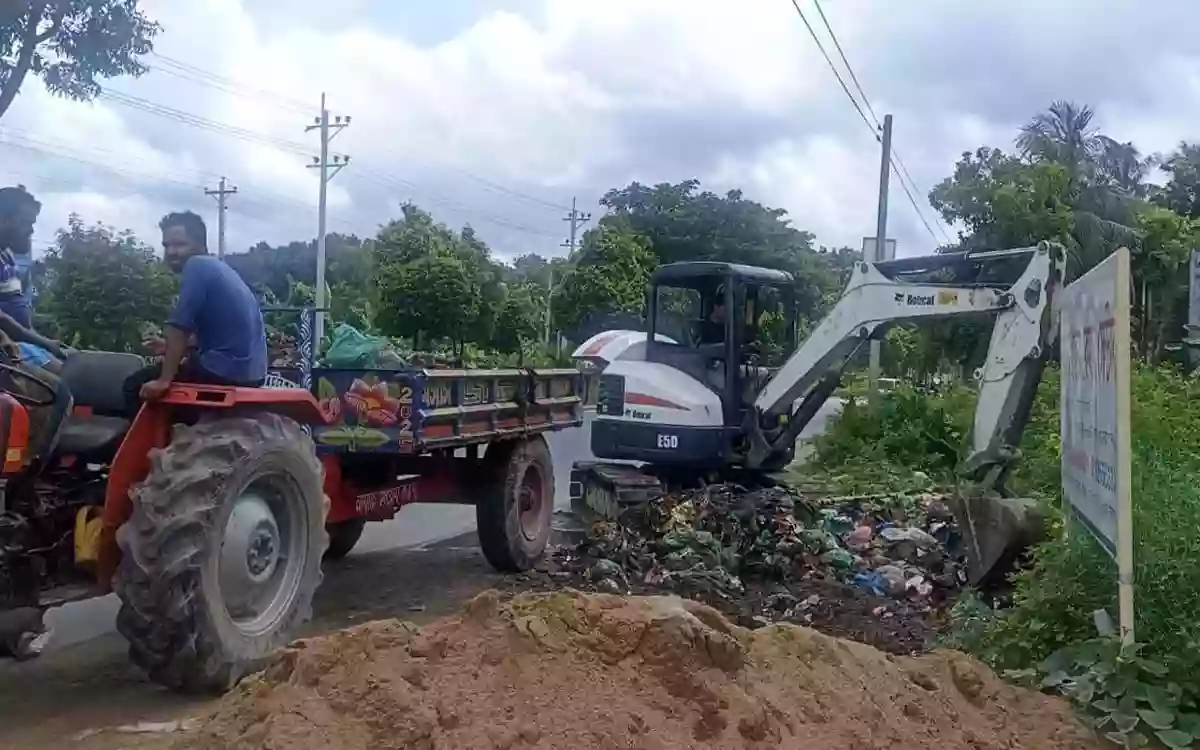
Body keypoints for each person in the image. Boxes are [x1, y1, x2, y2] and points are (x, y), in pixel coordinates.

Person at [123, 211, 267, 409]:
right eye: (167, 245)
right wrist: (168, 347)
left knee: (133, 386)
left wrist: (164, 380)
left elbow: (179, 325)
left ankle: (156, 440)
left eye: (179, 244)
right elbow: (222, 335)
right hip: (252, 373)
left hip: (224, 372)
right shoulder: (219, 268)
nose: (171, 252)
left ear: (201, 244)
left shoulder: (197, 265)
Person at [0, 186, 39, 329]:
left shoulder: (7, 257)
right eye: (26, 223)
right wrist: (43, 344)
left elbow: (18, 308)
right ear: (4, 220)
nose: (31, 230)